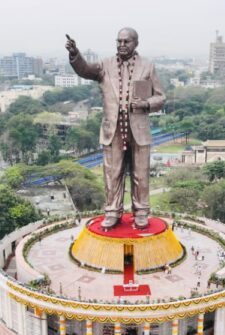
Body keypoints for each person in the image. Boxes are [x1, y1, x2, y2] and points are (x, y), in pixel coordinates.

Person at [65, 29, 165, 229]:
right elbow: (85, 70)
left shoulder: (147, 66)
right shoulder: (105, 65)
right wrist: (75, 54)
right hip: (113, 130)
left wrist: (146, 104)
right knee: (112, 173)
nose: (121, 45)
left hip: (139, 129)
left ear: (135, 43)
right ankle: (112, 211)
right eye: (118, 41)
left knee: (140, 174)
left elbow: (161, 97)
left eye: (126, 41)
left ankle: (141, 211)